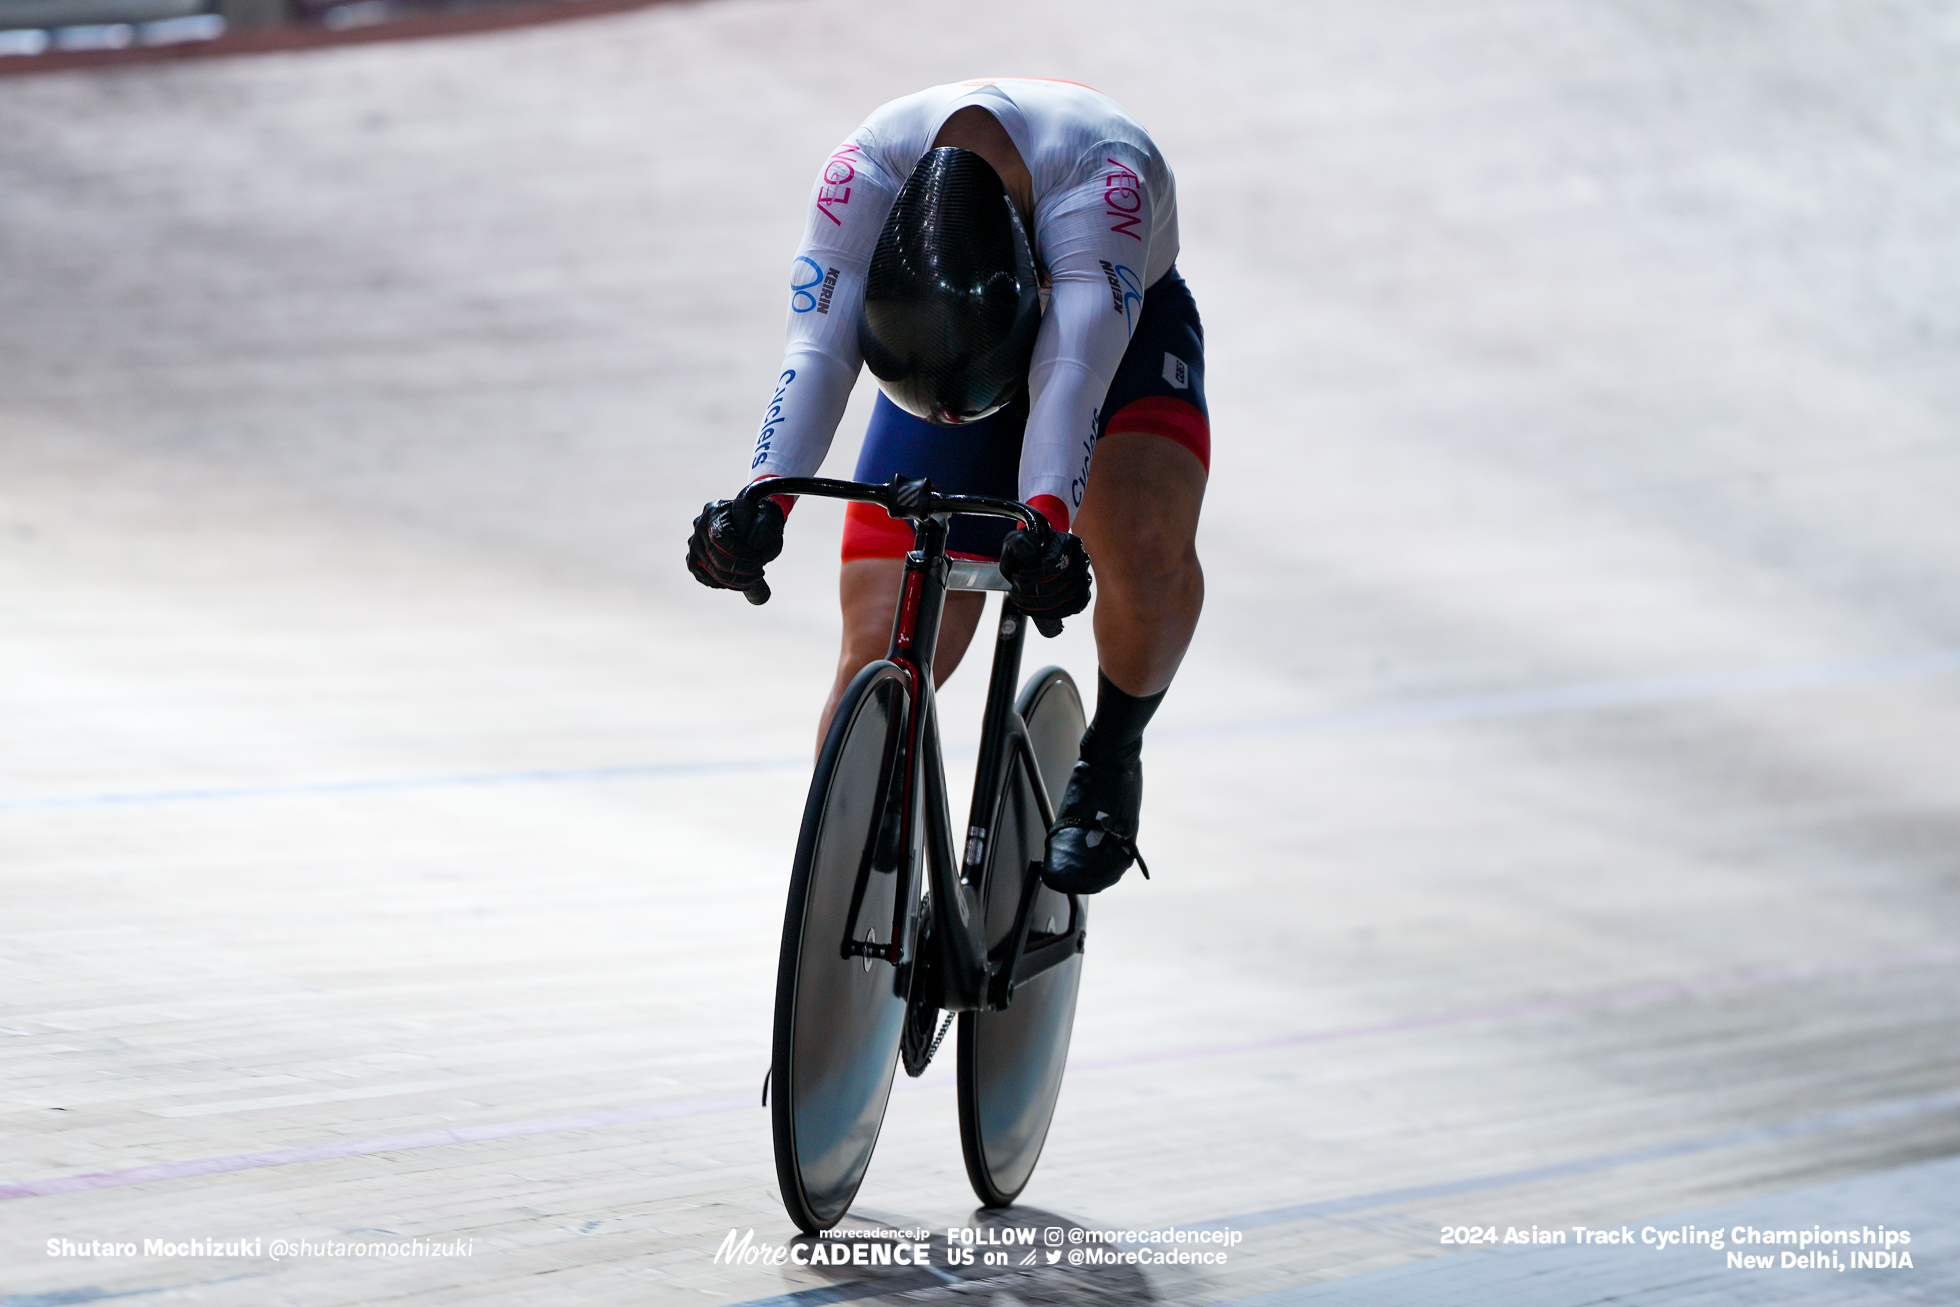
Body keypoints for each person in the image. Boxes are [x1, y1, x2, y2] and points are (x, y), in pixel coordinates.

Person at [687, 78, 1207, 894]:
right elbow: (817, 353)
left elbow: (1073, 373)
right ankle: (848, 861)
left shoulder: (1104, 181)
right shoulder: (864, 172)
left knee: (1141, 542)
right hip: (950, 344)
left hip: (1117, 331)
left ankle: (1111, 759)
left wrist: (1044, 523)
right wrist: (763, 499)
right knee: (879, 636)